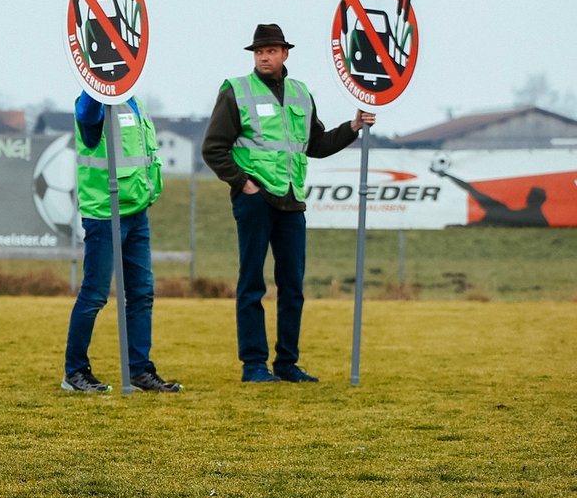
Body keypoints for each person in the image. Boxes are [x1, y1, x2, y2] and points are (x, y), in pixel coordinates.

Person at [202, 23, 374, 383]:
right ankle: (253, 365)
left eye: (271, 51)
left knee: (292, 286)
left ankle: (286, 364)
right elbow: (213, 149)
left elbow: (316, 145)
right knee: (252, 284)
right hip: (256, 199)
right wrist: (243, 184)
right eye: (259, 52)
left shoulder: (300, 93)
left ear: (285, 54)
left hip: (293, 200)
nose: (264, 57)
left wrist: (353, 127)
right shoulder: (236, 91)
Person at [59, 94, 181, 393]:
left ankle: (140, 371)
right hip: (104, 213)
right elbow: (87, 118)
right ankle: (75, 372)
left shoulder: (135, 103)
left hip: (136, 211)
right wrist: (96, 85)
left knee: (142, 293)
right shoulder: (94, 102)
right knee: (95, 294)